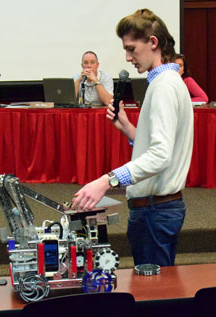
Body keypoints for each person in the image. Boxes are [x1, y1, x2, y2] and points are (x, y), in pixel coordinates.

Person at [72, 9, 194, 267]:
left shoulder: (164, 86)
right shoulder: (167, 82)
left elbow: (160, 156)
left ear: (152, 42)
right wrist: (127, 127)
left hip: (155, 210)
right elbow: (160, 146)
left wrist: (107, 181)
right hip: (156, 209)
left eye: (131, 49)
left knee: (155, 298)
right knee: (157, 292)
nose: (127, 57)